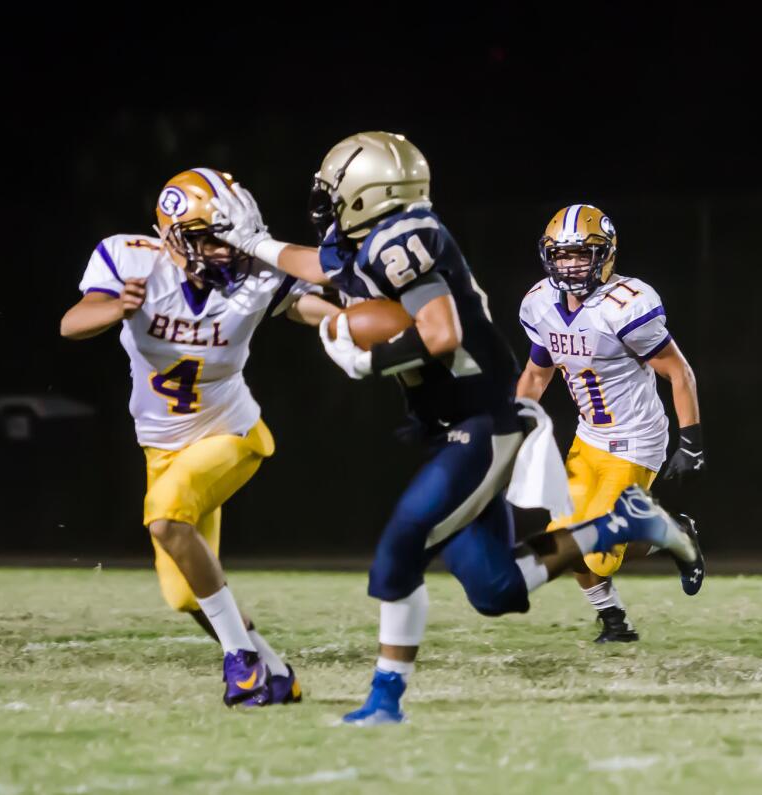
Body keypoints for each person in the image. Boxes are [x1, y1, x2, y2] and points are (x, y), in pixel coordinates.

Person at [208, 133, 702, 724]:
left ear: (371, 192)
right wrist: (257, 244)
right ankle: (627, 522)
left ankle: (384, 702)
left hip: (480, 419)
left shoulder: (405, 239)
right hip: (455, 422)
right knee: (494, 590)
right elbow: (320, 266)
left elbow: (439, 332)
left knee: (401, 546)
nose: (327, 200)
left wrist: (373, 361)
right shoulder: (374, 239)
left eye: (336, 188)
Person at [59, 169, 337, 706]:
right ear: (174, 236)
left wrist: (357, 325)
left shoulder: (256, 275)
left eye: (233, 235)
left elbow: (308, 307)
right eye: (212, 237)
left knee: (166, 518)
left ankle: (242, 665)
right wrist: (118, 307)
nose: (227, 249)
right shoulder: (132, 260)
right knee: (186, 591)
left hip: (231, 435)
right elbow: (73, 323)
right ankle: (276, 673)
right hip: (162, 447)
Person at [516, 204, 706, 643]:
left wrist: (691, 438)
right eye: (563, 255)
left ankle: (673, 533)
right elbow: (536, 374)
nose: (572, 264)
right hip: (590, 437)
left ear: (606, 254)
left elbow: (679, 372)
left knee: (598, 551)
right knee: (561, 543)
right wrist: (515, 427)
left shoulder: (625, 305)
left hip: (637, 438)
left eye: (583, 254)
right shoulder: (539, 304)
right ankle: (615, 622)